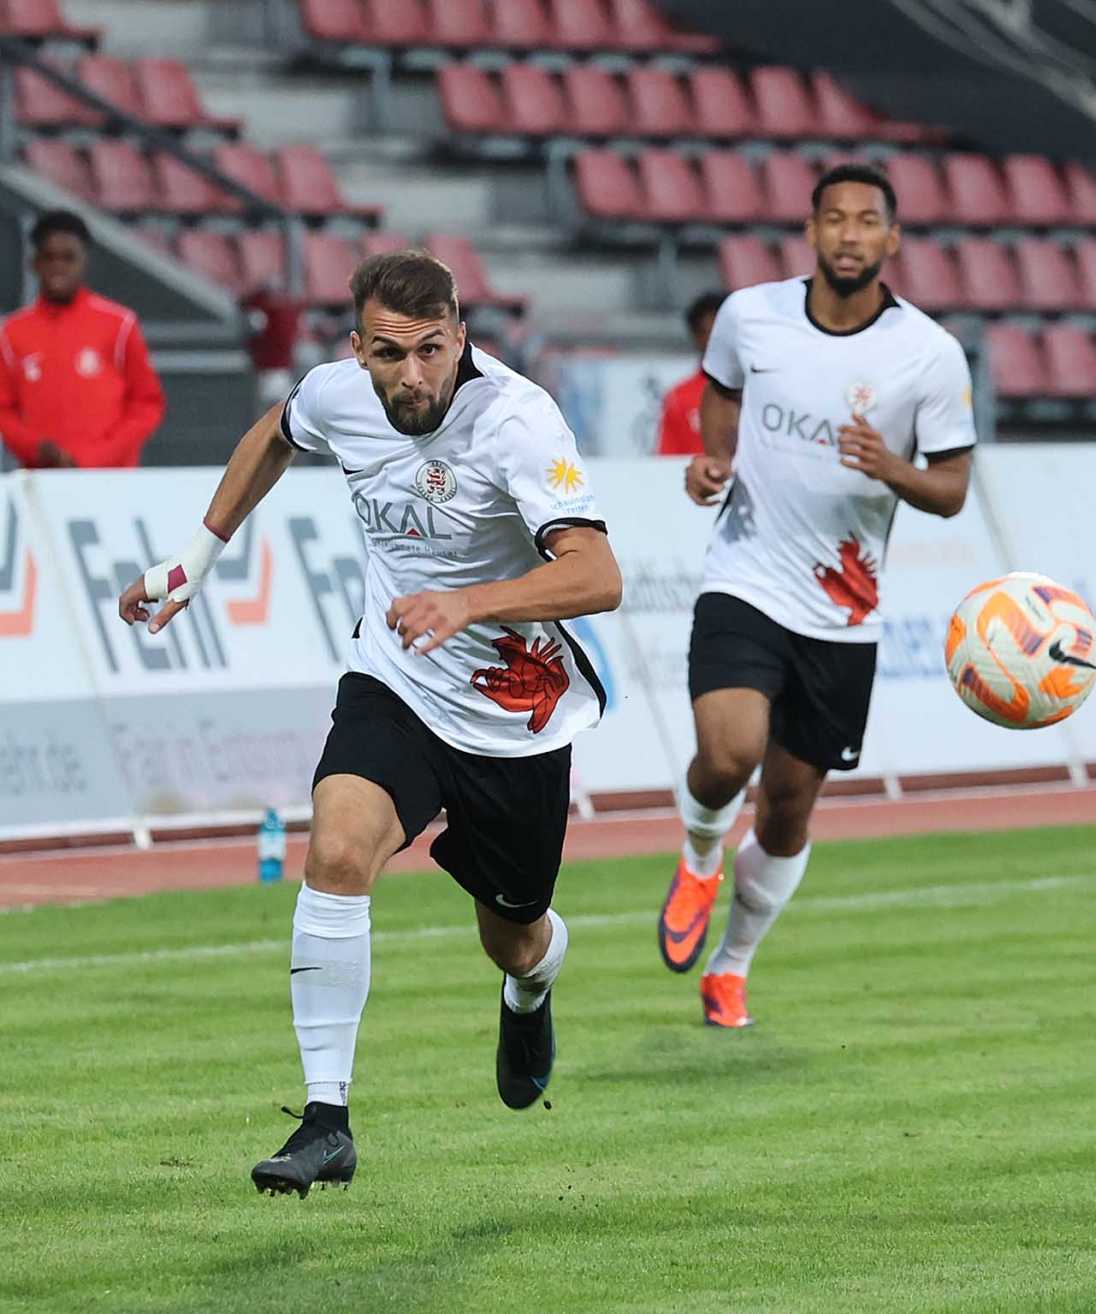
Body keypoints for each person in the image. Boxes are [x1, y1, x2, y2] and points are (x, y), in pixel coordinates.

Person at [117, 251, 621, 1197]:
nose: (416, 375)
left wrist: (469, 604)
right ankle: (326, 1122)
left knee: (511, 934)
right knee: (338, 847)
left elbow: (599, 575)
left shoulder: (518, 421)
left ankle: (533, 982)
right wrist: (194, 559)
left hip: (515, 713)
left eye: (434, 349)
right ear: (359, 350)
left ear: (463, 336)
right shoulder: (339, 394)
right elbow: (277, 429)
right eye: (393, 354)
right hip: (396, 680)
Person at [658, 162, 975, 1028]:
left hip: (843, 611)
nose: (849, 234)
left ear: (891, 238)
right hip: (746, 575)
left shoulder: (927, 355)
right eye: (833, 218)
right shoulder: (749, 315)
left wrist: (891, 467)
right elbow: (721, 392)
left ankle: (732, 965)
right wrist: (714, 461)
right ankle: (696, 858)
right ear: (812, 230)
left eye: (866, 220)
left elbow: (951, 488)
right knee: (728, 756)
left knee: (788, 808)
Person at [0, 210, 164, 469]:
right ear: (35, 263)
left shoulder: (119, 324)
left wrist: (98, 455)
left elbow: (147, 404)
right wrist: (35, 447)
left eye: (68, 258)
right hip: (41, 482)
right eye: (49, 257)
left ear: (84, 262)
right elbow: (3, 410)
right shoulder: (11, 332)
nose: (58, 266)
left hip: (109, 480)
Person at [656, 290, 728, 457]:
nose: (714, 340)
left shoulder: (756, 390)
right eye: (706, 332)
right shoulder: (678, 397)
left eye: (720, 331)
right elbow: (666, 459)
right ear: (695, 337)